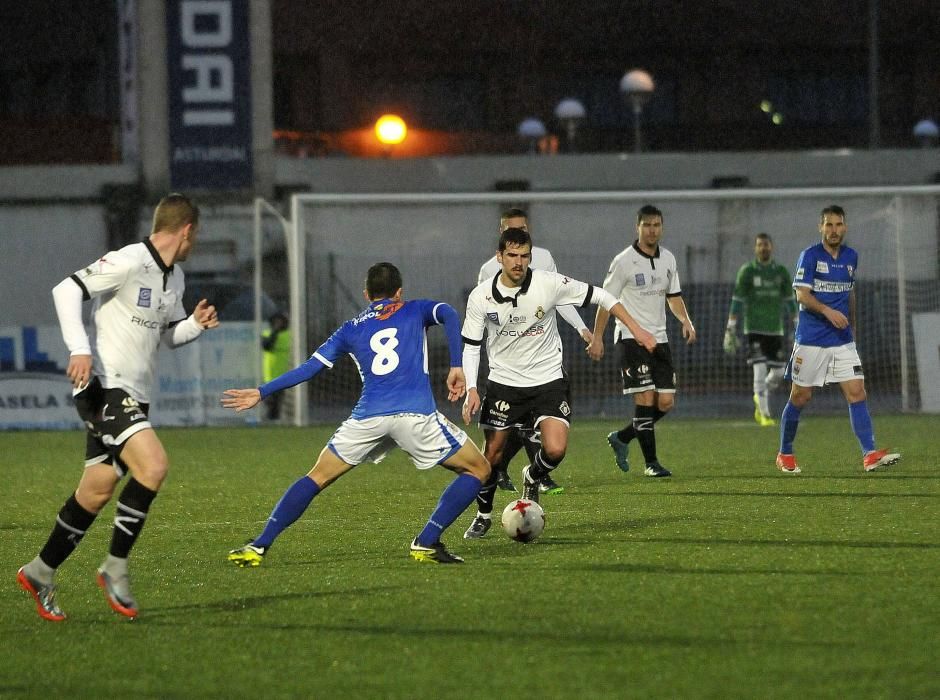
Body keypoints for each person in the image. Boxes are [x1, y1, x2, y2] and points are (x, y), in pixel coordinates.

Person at [17, 193, 219, 621]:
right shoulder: (128, 260)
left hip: (135, 397)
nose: (194, 243)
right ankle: (115, 567)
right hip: (106, 390)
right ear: (186, 230)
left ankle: (39, 571)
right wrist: (79, 349)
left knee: (96, 491)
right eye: (195, 235)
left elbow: (168, 336)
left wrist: (194, 326)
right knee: (154, 466)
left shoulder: (175, 278)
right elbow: (66, 289)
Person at [224, 262, 490, 565]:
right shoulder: (415, 309)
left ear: (366, 294)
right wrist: (457, 365)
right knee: (479, 470)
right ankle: (427, 541)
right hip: (415, 416)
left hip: (367, 418)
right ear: (399, 293)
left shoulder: (350, 328)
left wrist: (262, 391)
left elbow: (310, 368)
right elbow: (448, 313)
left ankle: (259, 544)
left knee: (316, 477)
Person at [461, 227, 655, 539]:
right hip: (504, 385)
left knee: (555, 449)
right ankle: (483, 514)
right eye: (512, 255)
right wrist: (472, 387)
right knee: (492, 457)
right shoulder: (480, 296)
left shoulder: (548, 283)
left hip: (548, 380)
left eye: (524, 256)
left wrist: (639, 330)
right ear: (499, 257)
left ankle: (531, 474)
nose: (518, 262)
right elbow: (471, 345)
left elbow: (603, 296)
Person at [475, 208, 593, 496]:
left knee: (541, 420)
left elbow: (561, 298)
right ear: (501, 235)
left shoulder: (543, 258)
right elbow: (485, 316)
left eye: (523, 228)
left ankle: (536, 473)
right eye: (511, 229)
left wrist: (581, 327)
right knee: (514, 429)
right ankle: (505, 477)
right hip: (509, 366)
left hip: (543, 359)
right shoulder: (488, 270)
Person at [776, 205, 900, 474]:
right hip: (811, 339)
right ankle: (785, 452)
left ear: (845, 227)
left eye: (838, 225)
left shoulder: (851, 257)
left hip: (842, 340)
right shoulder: (809, 256)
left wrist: (852, 327)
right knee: (800, 396)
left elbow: (850, 294)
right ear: (821, 227)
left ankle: (869, 454)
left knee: (857, 392)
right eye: (829, 225)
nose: (834, 230)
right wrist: (828, 311)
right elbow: (802, 296)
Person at [588, 204, 697, 478]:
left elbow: (673, 296)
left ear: (662, 227)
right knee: (645, 399)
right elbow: (606, 300)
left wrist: (685, 320)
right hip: (629, 339)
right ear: (637, 228)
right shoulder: (624, 261)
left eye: (657, 225)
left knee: (665, 403)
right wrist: (598, 336)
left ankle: (623, 437)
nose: (652, 230)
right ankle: (651, 463)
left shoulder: (669, 259)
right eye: (647, 225)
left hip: (659, 339)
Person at [723, 233, 798, 426]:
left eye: (766, 245)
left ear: (771, 247)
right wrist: (731, 327)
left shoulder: (780, 272)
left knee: (780, 372)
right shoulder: (747, 271)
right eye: (759, 245)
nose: (763, 248)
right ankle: (764, 413)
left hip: (775, 330)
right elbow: (737, 300)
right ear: (755, 248)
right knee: (759, 368)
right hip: (754, 329)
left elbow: (790, 300)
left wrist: (798, 323)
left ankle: (760, 392)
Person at [261, 311, 291, 420]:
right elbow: (267, 346)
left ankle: (275, 419)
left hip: (284, 373)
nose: (278, 323)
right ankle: (270, 419)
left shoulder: (289, 334)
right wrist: (275, 332)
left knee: (278, 400)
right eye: (276, 321)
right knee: (270, 400)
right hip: (270, 373)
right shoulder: (267, 333)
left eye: (280, 321)